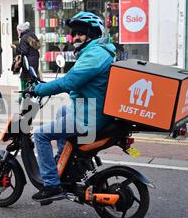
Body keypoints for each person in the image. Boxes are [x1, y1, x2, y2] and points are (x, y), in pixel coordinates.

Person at [30, 12, 116, 202]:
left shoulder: (95, 54)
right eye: (74, 33)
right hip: (89, 108)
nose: (75, 37)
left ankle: (51, 185)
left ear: (92, 34)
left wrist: (39, 89)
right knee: (62, 111)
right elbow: (86, 84)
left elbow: (69, 81)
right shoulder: (98, 51)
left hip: (87, 117)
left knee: (40, 134)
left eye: (80, 33)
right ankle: (63, 161)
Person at [11, 22, 41, 94]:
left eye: (18, 30)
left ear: (21, 30)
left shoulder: (24, 38)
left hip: (28, 62)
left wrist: (15, 47)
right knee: (33, 77)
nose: (17, 32)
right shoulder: (32, 35)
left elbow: (23, 51)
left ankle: (24, 96)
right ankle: (35, 94)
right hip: (35, 60)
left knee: (25, 78)